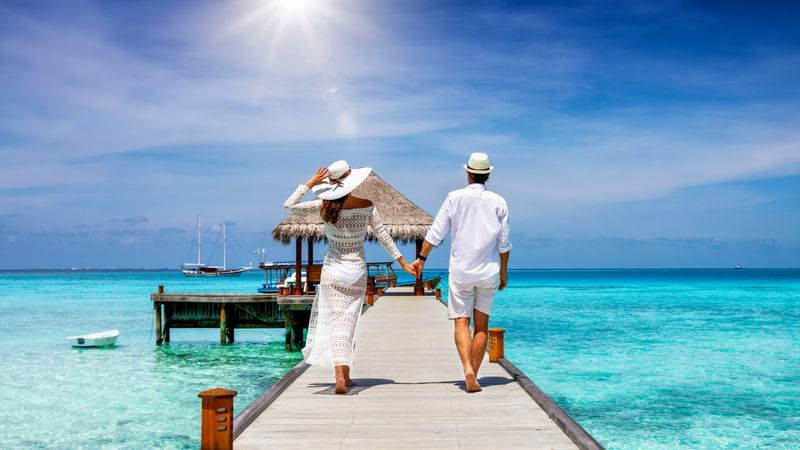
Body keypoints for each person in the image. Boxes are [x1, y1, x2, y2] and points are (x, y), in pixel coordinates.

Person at [283, 160, 417, 394]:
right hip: (356, 271)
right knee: (349, 322)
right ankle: (344, 375)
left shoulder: (324, 206)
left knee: (336, 322)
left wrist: (310, 183)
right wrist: (403, 262)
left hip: (333, 270)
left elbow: (289, 205)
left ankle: (340, 376)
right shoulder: (366, 205)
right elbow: (384, 236)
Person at [413, 152, 511, 393]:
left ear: (468, 173)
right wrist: (504, 274)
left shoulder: (454, 198)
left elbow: (436, 233)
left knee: (461, 322)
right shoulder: (499, 202)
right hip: (488, 272)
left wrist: (421, 259)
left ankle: (467, 367)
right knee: (481, 327)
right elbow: (504, 243)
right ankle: (474, 374)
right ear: (487, 175)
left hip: (461, 272)